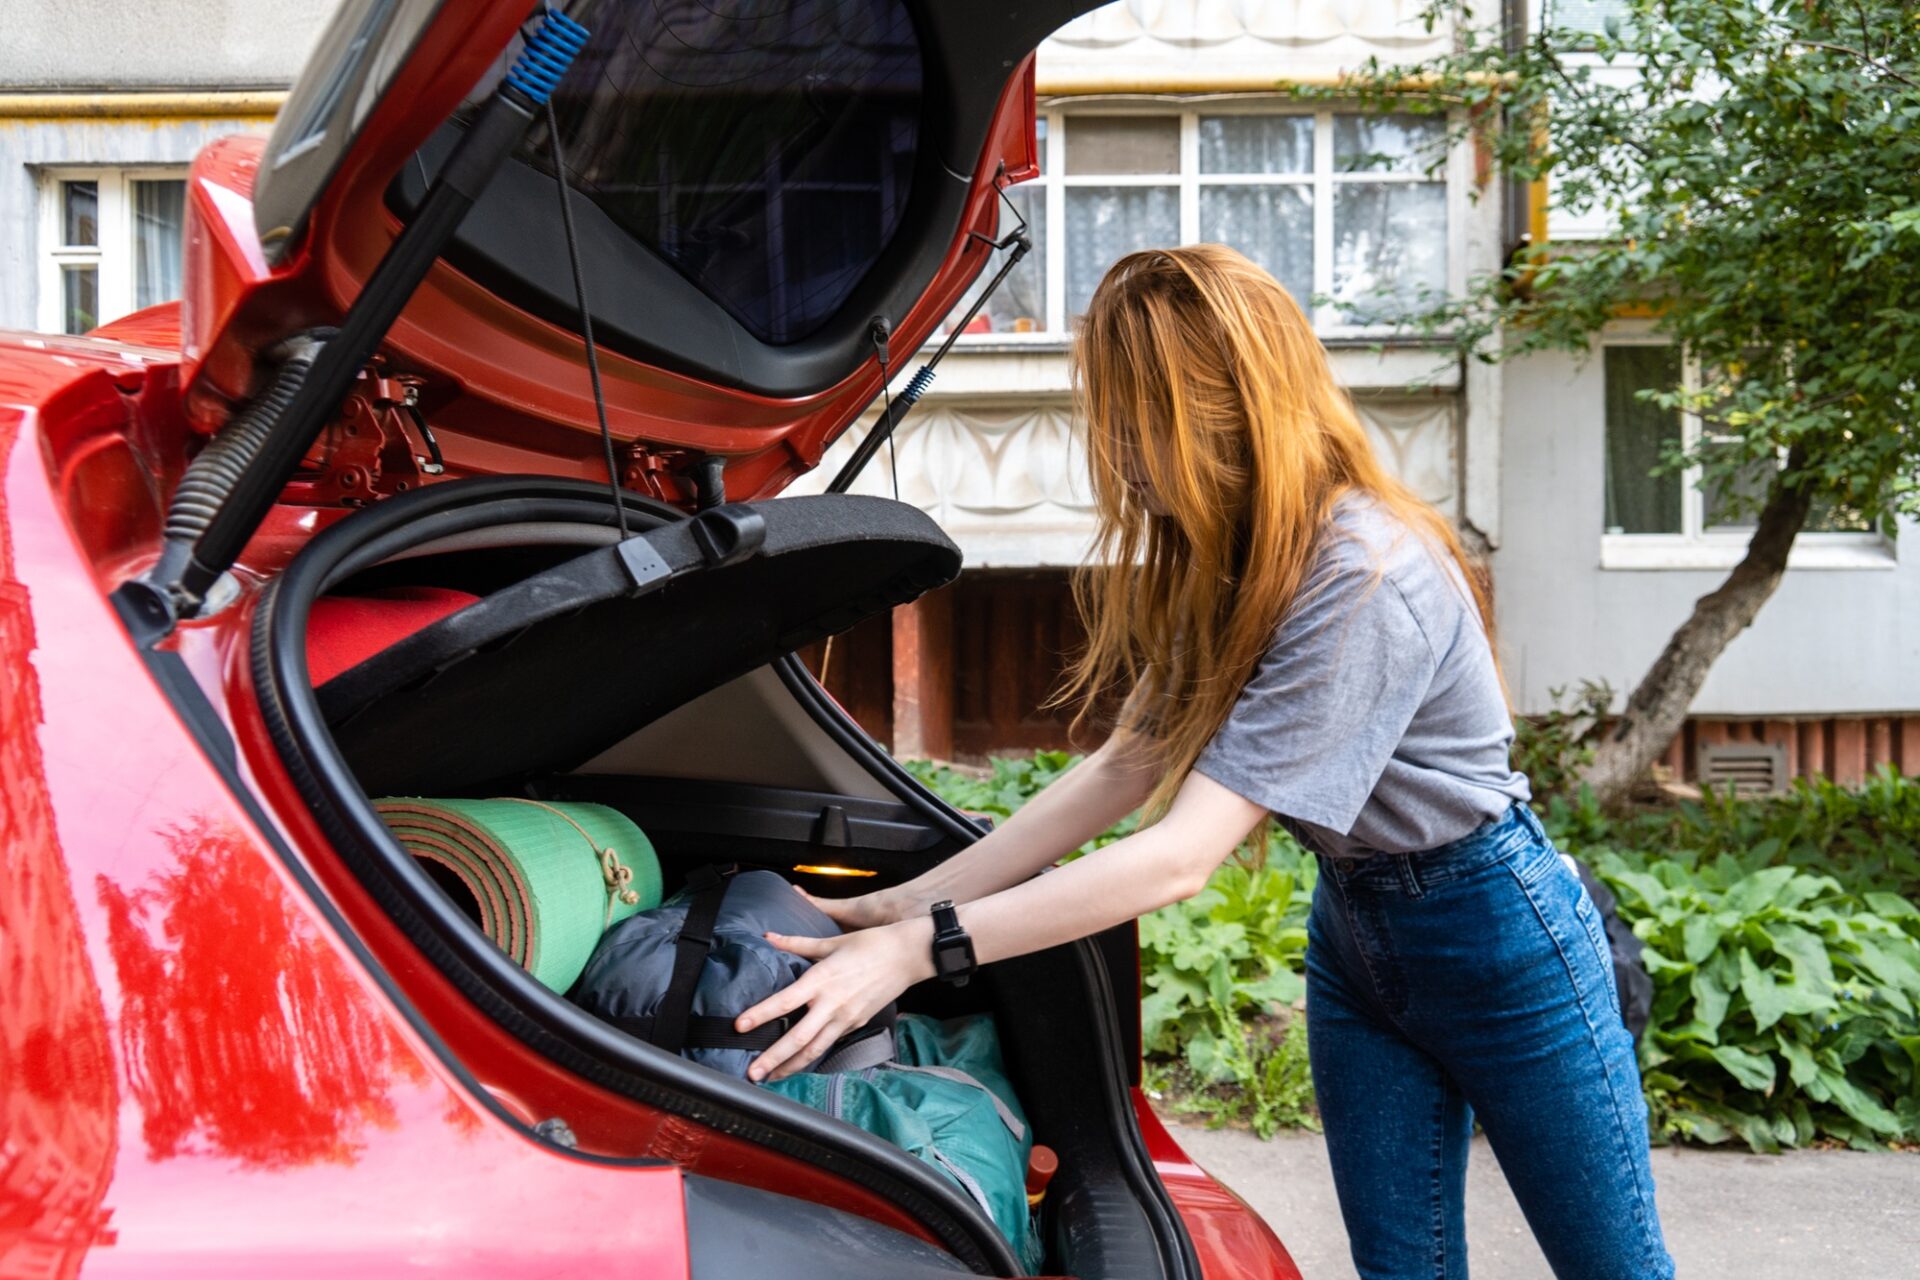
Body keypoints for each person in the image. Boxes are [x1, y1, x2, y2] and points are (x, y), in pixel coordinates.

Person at [735, 244, 1673, 1280]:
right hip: (1359, 938)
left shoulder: (1367, 576)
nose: (1117, 453)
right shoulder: (1238, 562)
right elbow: (1122, 769)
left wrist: (927, 949)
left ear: (1231, 410)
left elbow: (1182, 857)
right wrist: (901, 904)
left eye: (1140, 419)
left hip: (1500, 941)